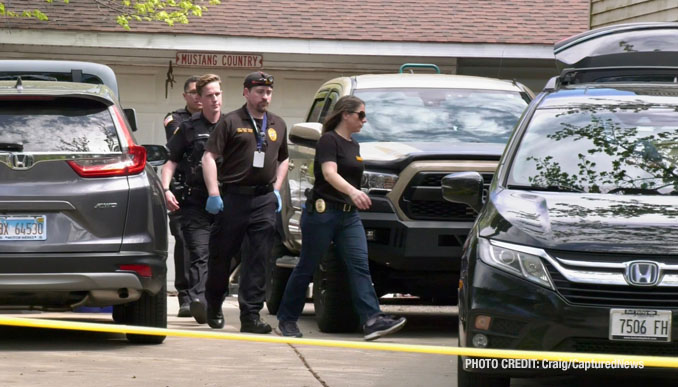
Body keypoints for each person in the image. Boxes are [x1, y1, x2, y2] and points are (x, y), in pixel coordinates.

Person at [276, 96, 406, 341]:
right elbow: (329, 173)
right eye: (360, 115)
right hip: (323, 214)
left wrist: (358, 194)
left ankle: (371, 320)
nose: (364, 120)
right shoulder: (328, 140)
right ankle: (287, 319)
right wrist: (354, 192)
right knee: (307, 267)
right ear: (345, 114)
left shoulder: (353, 145)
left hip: (348, 217)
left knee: (360, 267)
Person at [202, 71, 289, 333]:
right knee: (221, 256)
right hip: (233, 199)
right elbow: (209, 157)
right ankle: (214, 304)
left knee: (258, 259)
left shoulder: (277, 124)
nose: (265, 96)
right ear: (246, 92)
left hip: (263, 199)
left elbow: (284, 158)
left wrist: (276, 189)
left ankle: (250, 316)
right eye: (260, 91)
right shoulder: (230, 122)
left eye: (268, 92)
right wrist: (214, 193)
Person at [162, 73, 225, 324]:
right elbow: (171, 160)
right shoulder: (186, 126)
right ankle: (196, 300)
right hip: (194, 201)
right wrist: (165, 189)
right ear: (199, 98)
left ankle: (212, 302)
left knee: (221, 254)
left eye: (218, 94)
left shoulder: (232, 124)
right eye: (209, 95)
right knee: (197, 251)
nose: (215, 100)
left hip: (228, 200)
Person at [163, 75, 201, 317]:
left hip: (208, 191)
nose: (199, 97)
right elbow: (181, 141)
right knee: (185, 243)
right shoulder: (176, 119)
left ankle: (202, 294)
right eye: (194, 92)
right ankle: (185, 296)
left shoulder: (218, 120)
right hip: (181, 189)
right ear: (185, 95)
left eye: (203, 92)